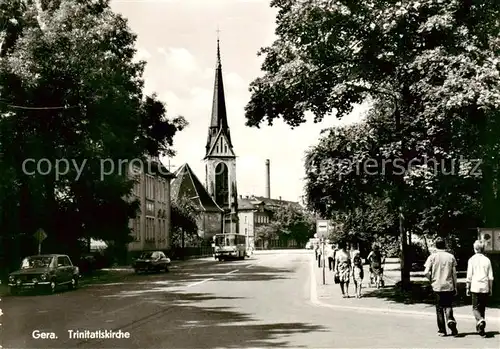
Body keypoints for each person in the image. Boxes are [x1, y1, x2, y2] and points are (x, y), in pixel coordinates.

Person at [424, 237, 459, 337]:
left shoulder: (432, 257)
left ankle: (442, 330)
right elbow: (454, 274)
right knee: (448, 305)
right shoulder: (451, 257)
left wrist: (431, 279)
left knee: (439, 308)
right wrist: (455, 286)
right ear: (445, 245)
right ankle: (450, 320)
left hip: (437, 286)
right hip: (448, 285)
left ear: (436, 245)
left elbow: (426, 272)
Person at [466, 240, 494, 337]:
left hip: (475, 286)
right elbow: (490, 276)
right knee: (482, 308)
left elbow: (469, 275)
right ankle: (481, 330)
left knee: (475, 308)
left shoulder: (471, 260)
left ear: (475, 249)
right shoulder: (487, 260)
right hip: (485, 286)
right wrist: (490, 288)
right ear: (483, 249)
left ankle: (480, 321)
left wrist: (467, 287)